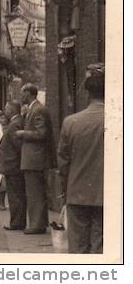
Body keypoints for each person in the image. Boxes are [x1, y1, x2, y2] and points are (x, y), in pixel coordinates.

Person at [57, 64, 104, 253]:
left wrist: (64, 191)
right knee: (102, 248)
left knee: (77, 249)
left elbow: (63, 163)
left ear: (87, 93)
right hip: (107, 194)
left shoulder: (71, 122)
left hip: (77, 193)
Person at [16, 83, 56, 234]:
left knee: (34, 192)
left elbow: (41, 133)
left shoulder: (38, 109)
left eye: (22, 93)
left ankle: (36, 225)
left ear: (28, 93)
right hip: (34, 158)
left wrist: (23, 133)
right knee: (36, 191)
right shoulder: (34, 108)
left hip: (35, 158)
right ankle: (40, 222)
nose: (21, 96)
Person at [0, 100, 26, 231]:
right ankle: (17, 221)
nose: (5, 111)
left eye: (6, 108)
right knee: (16, 195)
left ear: (12, 110)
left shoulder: (15, 124)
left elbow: (18, 146)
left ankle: (16, 223)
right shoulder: (16, 122)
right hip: (13, 165)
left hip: (13, 166)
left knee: (15, 196)